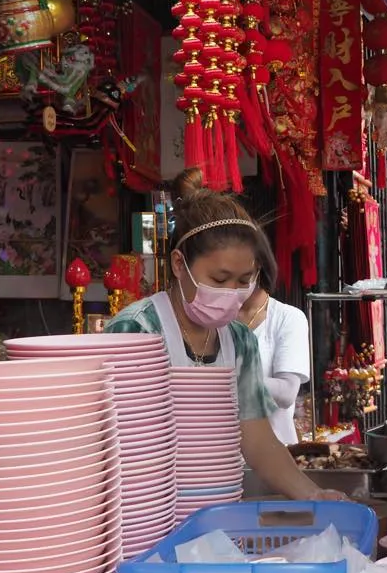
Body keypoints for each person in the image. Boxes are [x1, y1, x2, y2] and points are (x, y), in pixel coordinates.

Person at [106, 168, 343, 502]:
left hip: (222, 509)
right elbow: (111, 441)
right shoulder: (137, 330)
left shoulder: (239, 342)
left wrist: (314, 495)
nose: (233, 292)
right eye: (219, 280)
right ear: (178, 264)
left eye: (244, 280)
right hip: (147, 514)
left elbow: (258, 439)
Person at [237, 241, 309, 445]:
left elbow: (286, 393)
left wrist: (223, 379)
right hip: (219, 455)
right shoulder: (217, 318)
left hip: (272, 453)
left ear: (259, 266)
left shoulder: (288, 318)